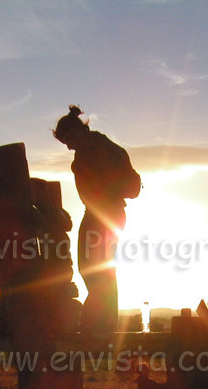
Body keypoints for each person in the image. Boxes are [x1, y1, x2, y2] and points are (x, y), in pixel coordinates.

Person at [53, 105, 140, 337]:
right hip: (102, 213)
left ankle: (100, 323)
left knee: (96, 267)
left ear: (78, 131)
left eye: (69, 140)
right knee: (98, 267)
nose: (69, 146)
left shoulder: (95, 148)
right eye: (65, 143)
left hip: (104, 213)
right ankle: (101, 322)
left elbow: (103, 183)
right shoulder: (95, 147)